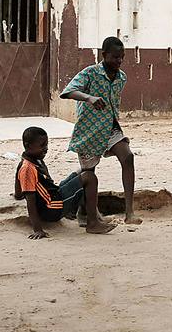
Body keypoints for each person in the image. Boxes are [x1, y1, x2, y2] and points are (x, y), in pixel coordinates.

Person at [60, 36, 139, 231]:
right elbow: (68, 91)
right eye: (114, 57)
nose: (119, 61)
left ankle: (130, 212)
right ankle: (87, 215)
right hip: (88, 130)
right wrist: (89, 98)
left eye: (121, 57)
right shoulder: (90, 73)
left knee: (127, 157)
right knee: (89, 176)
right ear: (104, 55)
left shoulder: (122, 77)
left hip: (110, 127)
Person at [14, 126, 107, 237]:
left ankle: (76, 212)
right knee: (89, 177)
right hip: (53, 208)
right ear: (28, 146)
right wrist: (38, 230)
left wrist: (18, 195)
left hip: (55, 194)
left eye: (47, 145)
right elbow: (31, 201)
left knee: (82, 171)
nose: (46, 149)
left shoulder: (33, 160)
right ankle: (92, 223)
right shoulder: (28, 168)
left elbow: (20, 190)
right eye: (42, 145)